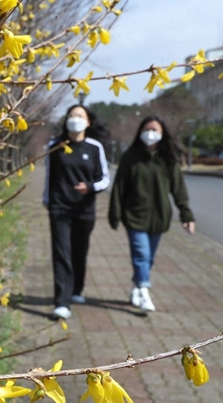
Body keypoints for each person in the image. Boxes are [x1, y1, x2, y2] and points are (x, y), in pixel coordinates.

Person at [109, 116, 195, 312]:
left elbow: (178, 190)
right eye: (147, 129)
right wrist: (115, 214)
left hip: (159, 217)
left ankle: (135, 287)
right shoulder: (130, 158)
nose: (150, 133)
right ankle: (145, 290)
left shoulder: (168, 159)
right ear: (140, 132)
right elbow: (119, 188)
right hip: (134, 216)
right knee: (141, 254)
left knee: (148, 259)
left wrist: (186, 215)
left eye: (155, 129)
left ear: (162, 133)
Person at [44, 105, 110, 320]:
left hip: (84, 209)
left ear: (88, 122)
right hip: (59, 207)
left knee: (79, 251)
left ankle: (76, 290)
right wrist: (47, 200)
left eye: (80, 116)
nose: (75, 119)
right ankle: (61, 302)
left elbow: (104, 179)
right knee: (61, 253)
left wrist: (89, 187)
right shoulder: (55, 145)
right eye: (71, 115)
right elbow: (48, 176)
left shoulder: (94, 147)